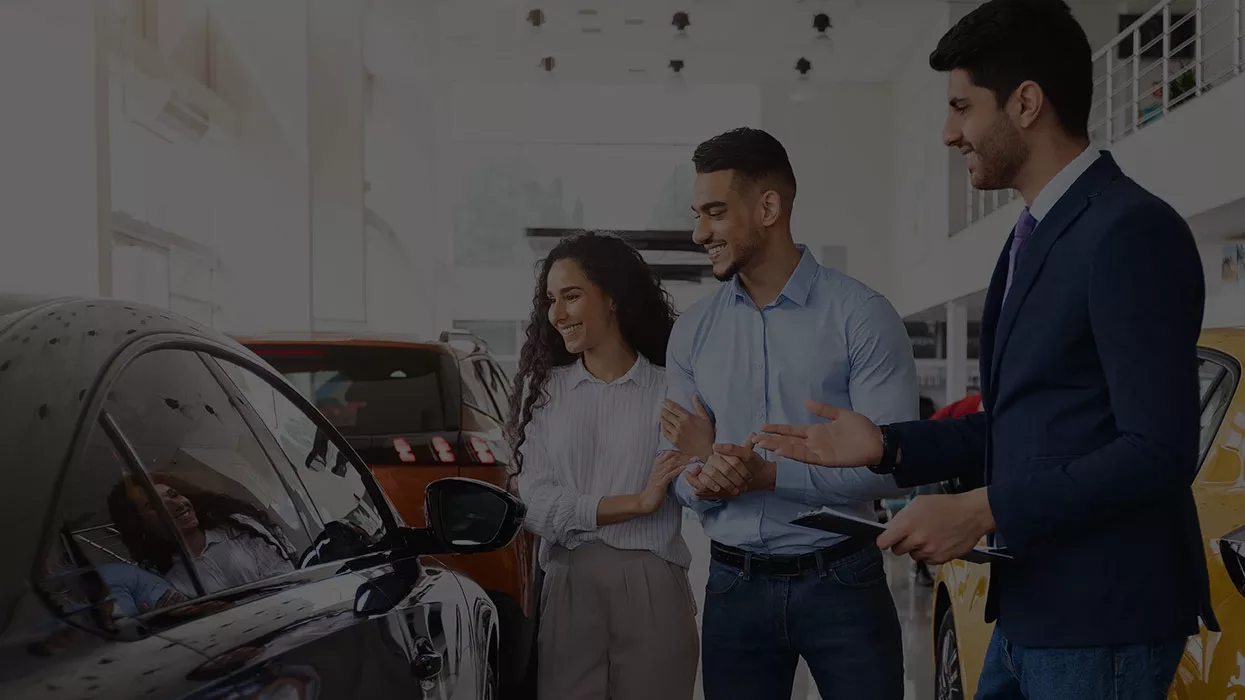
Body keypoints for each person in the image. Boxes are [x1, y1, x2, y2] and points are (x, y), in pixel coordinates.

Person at [755, 1, 1214, 698]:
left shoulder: (1128, 232)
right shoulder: (1032, 235)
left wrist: (983, 508)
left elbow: (1157, 450)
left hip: (1101, 618)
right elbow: (1022, 424)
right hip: (1034, 605)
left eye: (961, 108)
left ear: (1026, 103)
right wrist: (884, 445)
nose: (948, 133)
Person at [657, 127, 919, 700]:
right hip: (732, 586)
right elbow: (673, 467)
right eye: (697, 214)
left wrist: (767, 474)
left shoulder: (862, 317)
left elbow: (894, 464)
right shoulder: (693, 332)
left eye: (716, 213)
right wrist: (707, 477)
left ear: (769, 206)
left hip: (844, 580)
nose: (700, 232)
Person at [507, 231, 700, 700]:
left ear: (612, 299)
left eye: (571, 297)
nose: (557, 314)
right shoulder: (544, 392)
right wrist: (635, 502)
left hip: (653, 583)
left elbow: (687, 480)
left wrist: (697, 461)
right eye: (551, 300)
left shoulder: (671, 390)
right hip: (570, 582)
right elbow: (535, 503)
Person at [109, 474, 297, 596]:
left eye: (173, 495)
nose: (177, 504)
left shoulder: (239, 527)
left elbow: (287, 582)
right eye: (156, 505)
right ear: (139, 524)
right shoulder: (161, 579)